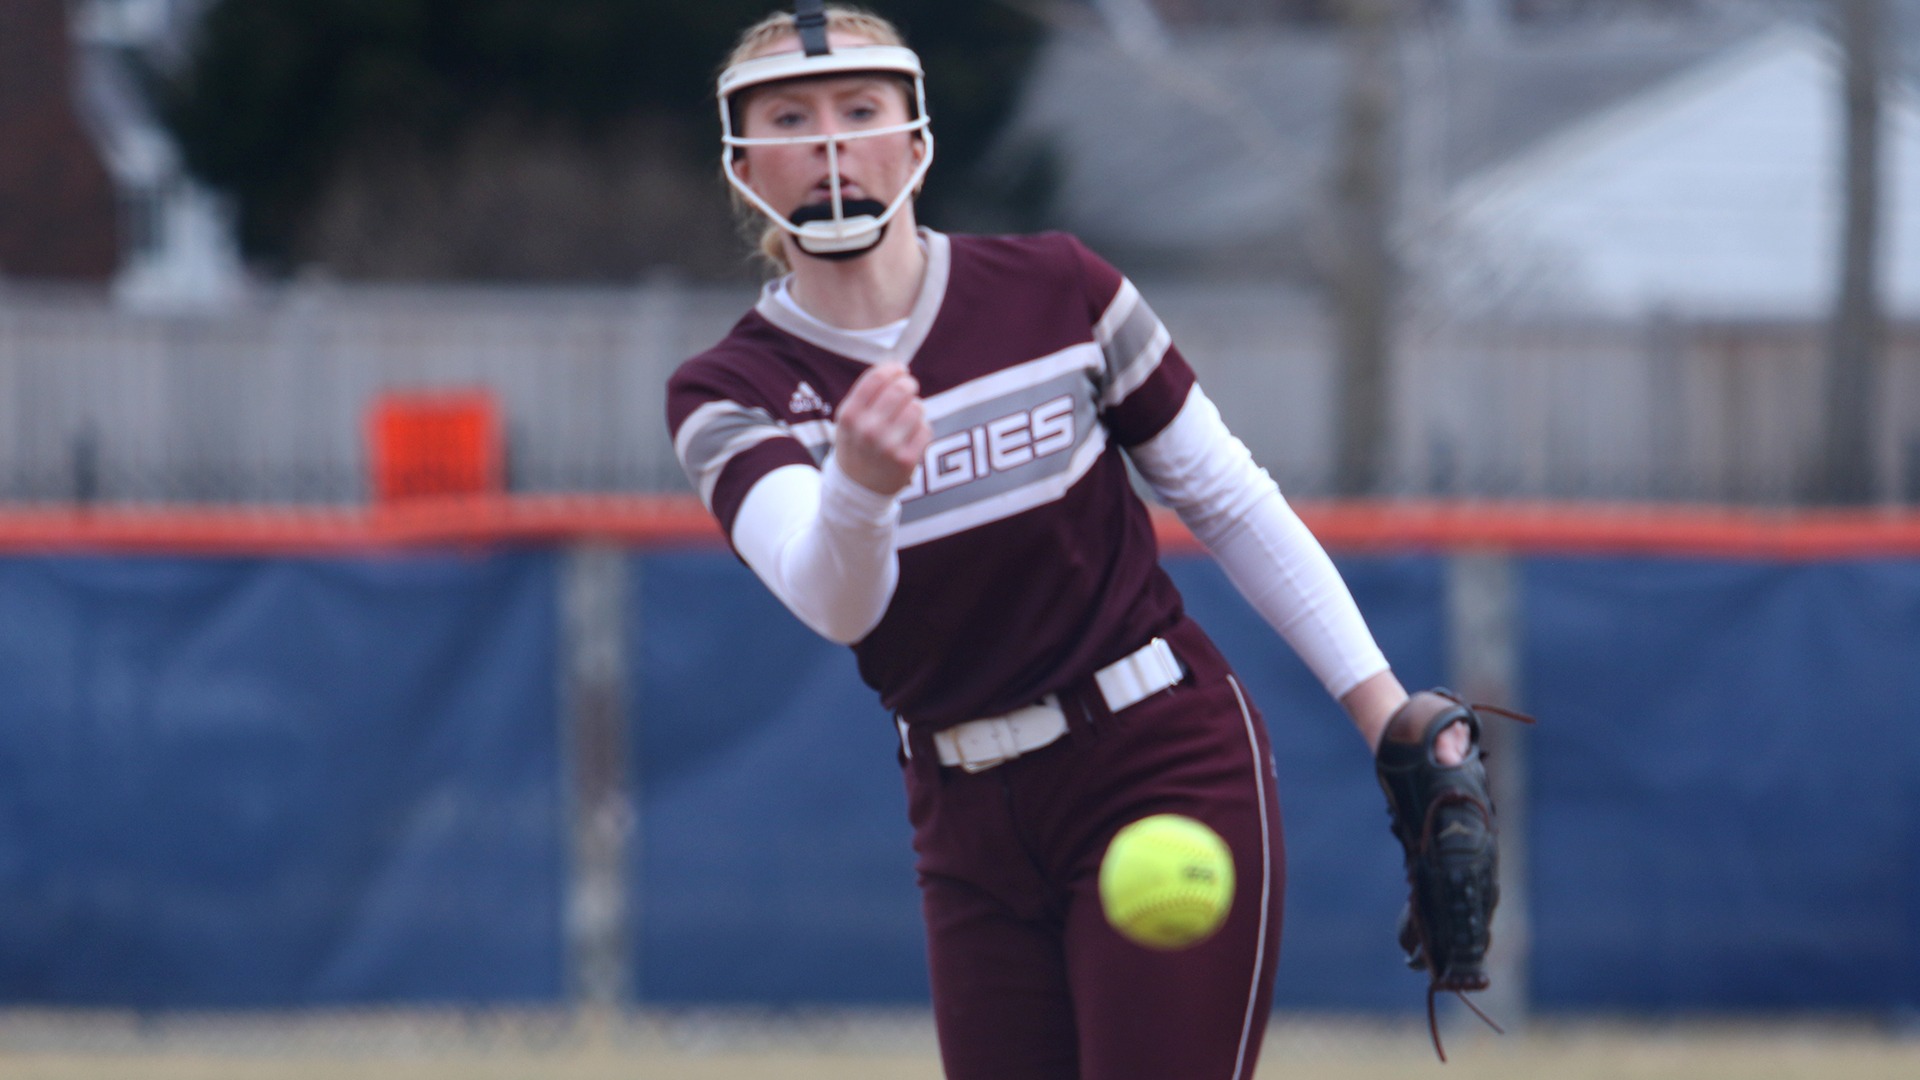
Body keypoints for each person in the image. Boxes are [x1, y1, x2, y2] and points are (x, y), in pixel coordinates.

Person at [666, 5, 1467, 1078]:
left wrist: (1385, 715)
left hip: (1158, 759)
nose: (828, 143)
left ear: (915, 139)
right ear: (742, 162)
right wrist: (857, 487)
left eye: (860, 109)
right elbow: (837, 604)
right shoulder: (729, 392)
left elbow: (1227, 497)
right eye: (788, 117)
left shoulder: (1059, 289)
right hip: (963, 815)